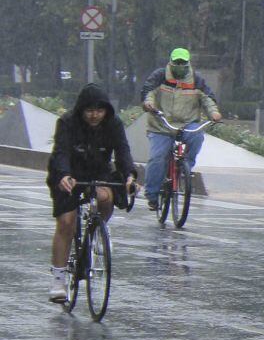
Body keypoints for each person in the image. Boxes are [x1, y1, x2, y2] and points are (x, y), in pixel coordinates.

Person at [45, 83, 138, 301]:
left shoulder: (114, 124)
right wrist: (64, 175)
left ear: (106, 110)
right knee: (67, 222)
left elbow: (123, 152)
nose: (94, 115)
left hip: (98, 173)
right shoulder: (67, 122)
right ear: (81, 110)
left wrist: (130, 176)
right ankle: (58, 279)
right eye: (89, 110)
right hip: (68, 175)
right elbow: (60, 153)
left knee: (105, 196)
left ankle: (98, 229)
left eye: (99, 110)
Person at [141, 48, 221, 209]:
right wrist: (149, 104)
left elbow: (207, 99)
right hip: (161, 124)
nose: (179, 65)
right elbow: (148, 92)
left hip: (187, 124)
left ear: (188, 63)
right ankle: (152, 194)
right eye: (176, 62)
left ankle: (185, 169)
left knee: (197, 136)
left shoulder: (196, 80)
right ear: (170, 62)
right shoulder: (160, 76)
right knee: (158, 157)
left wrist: (214, 113)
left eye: (183, 63)